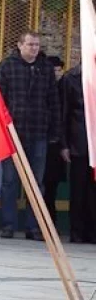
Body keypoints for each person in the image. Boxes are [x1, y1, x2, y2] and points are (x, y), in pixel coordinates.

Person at [0, 32, 60, 241]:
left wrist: (54, 130)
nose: (34, 48)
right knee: (9, 181)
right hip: (13, 132)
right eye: (30, 44)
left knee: (36, 182)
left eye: (37, 45)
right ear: (20, 45)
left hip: (39, 131)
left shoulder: (45, 68)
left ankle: (34, 227)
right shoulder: (7, 66)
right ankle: (8, 225)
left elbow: (54, 101)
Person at [60, 64, 96, 243]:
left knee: (93, 191)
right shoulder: (71, 78)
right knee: (79, 189)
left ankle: (92, 231)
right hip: (79, 142)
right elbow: (64, 113)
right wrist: (64, 144)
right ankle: (77, 231)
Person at [43, 55, 66, 226]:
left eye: (59, 70)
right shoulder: (44, 88)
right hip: (44, 140)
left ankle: (51, 221)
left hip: (58, 144)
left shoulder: (66, 87)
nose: (57, 73)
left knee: (51, 185)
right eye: (54, 70)